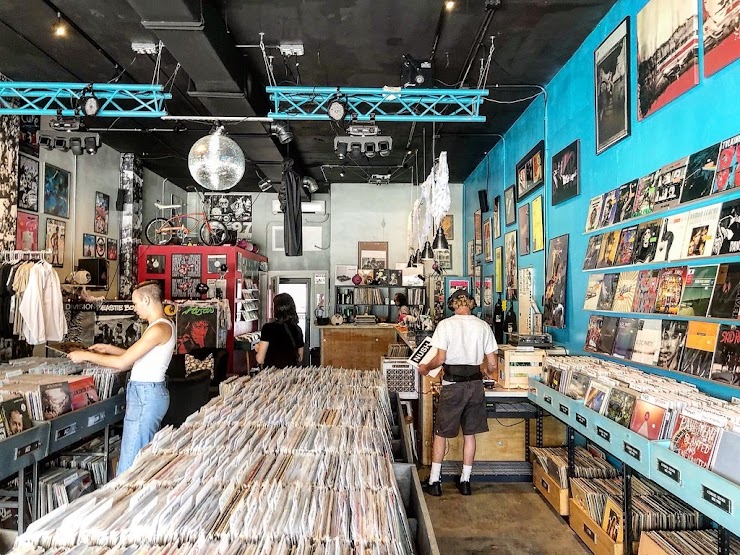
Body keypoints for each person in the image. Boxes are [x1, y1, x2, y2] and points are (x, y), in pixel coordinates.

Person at [68, 281, 174, 475]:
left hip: (145, 396)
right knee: (139, 460)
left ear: (146, 299)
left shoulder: (158, 329)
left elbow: (123, 363)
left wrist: (85, 355)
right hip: (147, 393)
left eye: (135, 303)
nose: (135, 308)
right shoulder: (161, 325)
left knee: (129, 467)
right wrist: (109, 349)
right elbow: (138, 358)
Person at [418, 289, 498, 496]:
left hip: (452, 385)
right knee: (469, 434)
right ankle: (465, 482)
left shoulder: (445, 325)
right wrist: (486, 371)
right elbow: (492, 364)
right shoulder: (483, 326)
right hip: (475, 386)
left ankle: (434, 481)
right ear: (471, 304)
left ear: (452, 304)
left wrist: (425, 367)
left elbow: (440, 359)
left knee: (441, 433)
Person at [256, 293, 305, 369]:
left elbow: (260, 359)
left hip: (272, 373)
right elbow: (300, 357)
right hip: (291, 373)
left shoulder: (268, 328)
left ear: (276, 309)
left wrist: (258, 349)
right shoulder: (297, 329)